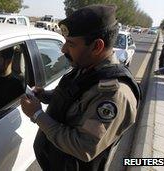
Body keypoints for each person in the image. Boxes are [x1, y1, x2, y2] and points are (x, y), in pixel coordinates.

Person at [21, 4, 141, 171]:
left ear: (97, 47)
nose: (63, 49)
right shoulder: (86, 67)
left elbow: (83, 147)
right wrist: (45, 95)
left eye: (70, 44)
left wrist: (37, 114)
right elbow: (74, 97)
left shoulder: (114, 94)